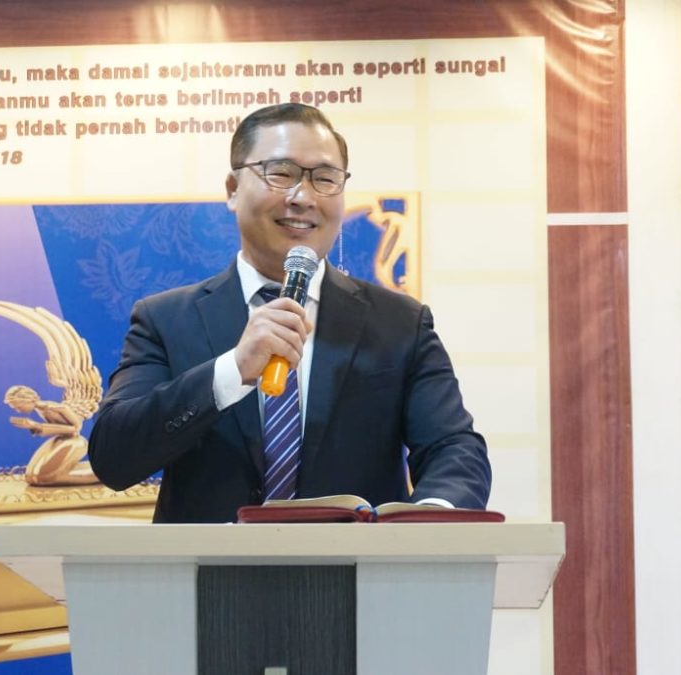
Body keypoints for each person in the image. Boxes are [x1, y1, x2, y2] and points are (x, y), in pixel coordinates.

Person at [88, 103, 490, 523]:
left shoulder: (400, 323)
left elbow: (454, 449)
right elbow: (114, 458)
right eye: (281, 173)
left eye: (325, 179)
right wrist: (232, 371)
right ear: (232, 188)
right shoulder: (165, 320)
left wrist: (426, 522)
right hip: (209, 565)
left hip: (356, 562)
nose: (303, 197)